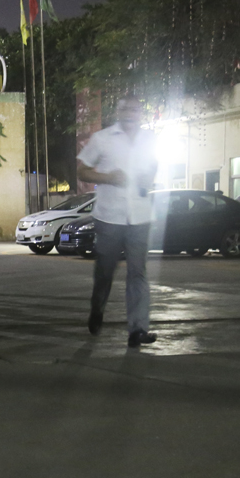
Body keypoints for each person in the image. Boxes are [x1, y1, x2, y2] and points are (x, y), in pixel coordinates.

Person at [77, 95, 159, 348]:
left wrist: (149, 177)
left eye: (135, 109)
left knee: (138, 273)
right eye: (126, 109)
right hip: (110, 217)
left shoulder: (150, 139)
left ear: (141, 113)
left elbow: (154, 164)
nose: (131, 113)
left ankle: (138, 329)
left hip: (140, 216)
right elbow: (81, 169)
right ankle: (97, 309)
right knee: (105, 271)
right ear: (118, 111)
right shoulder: (102, 138)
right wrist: (107, 178)